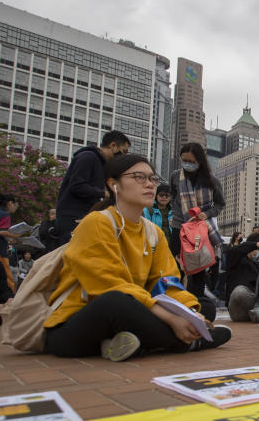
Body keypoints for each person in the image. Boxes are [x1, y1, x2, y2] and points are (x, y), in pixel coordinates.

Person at [44, 154, 231, 361]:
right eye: (139, 177)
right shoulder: (97, 223)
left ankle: (136, 341)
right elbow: (109, 284)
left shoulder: (153, 233)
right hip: (77, 323)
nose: (149, 184)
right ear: (113, 184)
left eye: (152, 179)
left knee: (204, 306)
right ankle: (187, 341)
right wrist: (170, 317)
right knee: (115, 302)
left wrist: (191, 313)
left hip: (136, 308)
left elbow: (167, 282)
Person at [170, 142, 226, 301]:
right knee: (174, 267)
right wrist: (177, 217)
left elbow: (220, 204)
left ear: (200, 161)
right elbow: (173, 198)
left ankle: (196, 303)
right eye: (184, 160)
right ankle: (175, 301)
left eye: (191, 161)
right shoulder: (176, 176)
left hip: (200, 230)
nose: (187, 164)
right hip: (179, 228)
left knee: (198, 270)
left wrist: (206, 213)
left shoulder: (212, 180)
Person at [55, 130, 131, 245]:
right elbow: (77, 186)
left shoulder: (103, 165)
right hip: (72, 215)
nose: (124, 156)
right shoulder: (88, 157)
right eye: (124, 151)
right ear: (113, 146)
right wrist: (103, 193)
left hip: (87, 214)